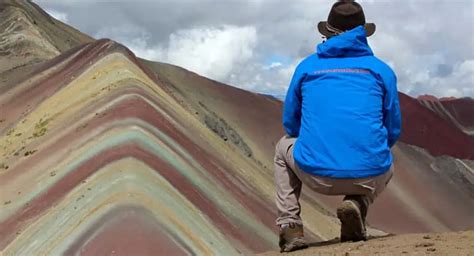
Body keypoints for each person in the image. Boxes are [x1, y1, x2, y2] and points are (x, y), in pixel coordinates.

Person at [275, 0, 401, 252]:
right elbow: (392, 129)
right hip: (370, 174)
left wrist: (318, 142)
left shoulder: (307, 67)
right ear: (363, 34)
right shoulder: (381, 70)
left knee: (282, 148)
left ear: (327, 33)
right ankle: (358, 202)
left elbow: (290, 122)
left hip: (315, 172)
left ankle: (290, 227)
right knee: (387, 156)